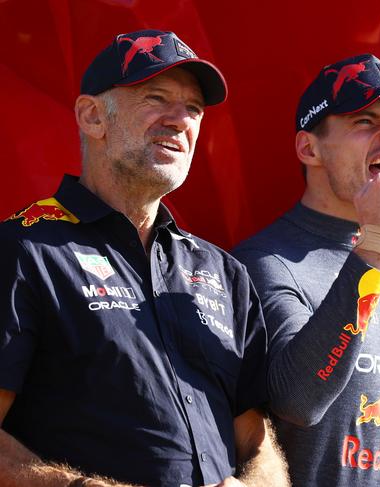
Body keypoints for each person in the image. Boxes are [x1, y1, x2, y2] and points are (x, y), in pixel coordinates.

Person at [0, 29, 288, 487]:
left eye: (194, 108)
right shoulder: (22, 250)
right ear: (92, 117)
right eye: (157, 98)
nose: (181, 121)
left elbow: (255, 441)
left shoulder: (223, 271)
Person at [233, 53, 380, 486]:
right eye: (366, 121)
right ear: (309, 148)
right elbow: (300, 402)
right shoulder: (264, 262)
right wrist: (379, 246)